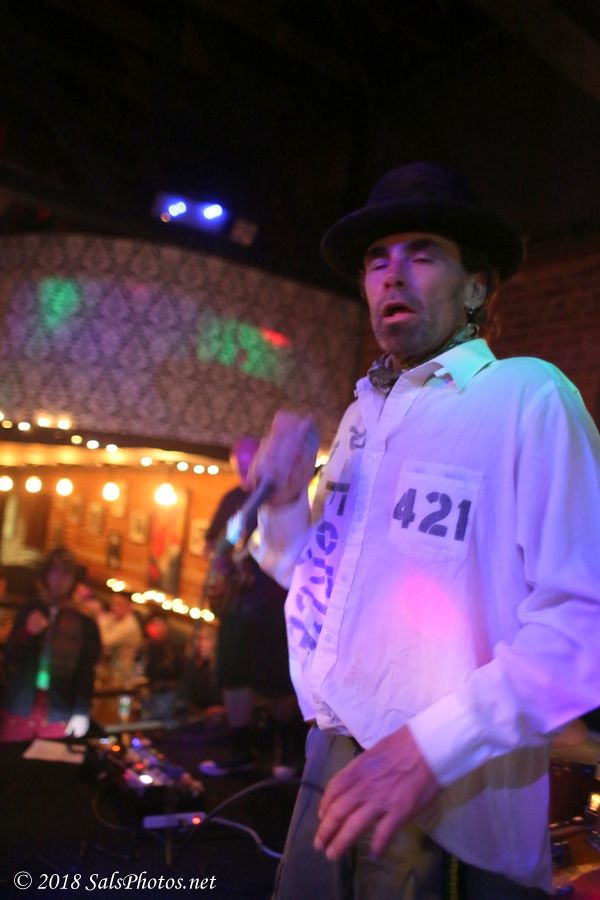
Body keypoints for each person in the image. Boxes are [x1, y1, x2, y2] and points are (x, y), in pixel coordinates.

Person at [250, 162, 600, 898]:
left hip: (452, 800)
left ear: (476, 288)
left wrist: (429, 749)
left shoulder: (526, 396)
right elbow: (317, 582)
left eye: (423, 254)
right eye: (377, 260)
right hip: (330, 765)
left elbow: (583, 621)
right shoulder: (362, 416)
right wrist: (280, 504)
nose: (392, 274)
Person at [199, 436, 304, 778]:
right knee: (233, 678)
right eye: (239, 465)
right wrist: (221, 560)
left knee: (277, 683)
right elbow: (212, 542)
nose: (244, 471)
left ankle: (286, 752)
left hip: (274, 608)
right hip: (236, 606)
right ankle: (240, 751)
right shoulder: (233, 498)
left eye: (249, 463)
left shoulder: (287, 499)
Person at [0, 547, 101, 741]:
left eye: (66, 573)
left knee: (49, 760)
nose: (60, 578)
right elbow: (10, 655)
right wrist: (27, 632)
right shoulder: (31, 608)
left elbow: (86, 669)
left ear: (73, 578)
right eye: (55, 571)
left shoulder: (83, 619)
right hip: (19, 705)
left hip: (58, 710)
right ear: (46, 574)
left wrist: (81, 710)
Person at [139, 609, 186, 721]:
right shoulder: (145, 647)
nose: (156, 628)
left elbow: (177, 678)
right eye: (153, 624)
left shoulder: (173, 651)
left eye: (160, 624)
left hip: (165, 701)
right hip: (149, 697)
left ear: (166, 627)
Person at [97, 591, 143, 689]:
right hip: (108, 670)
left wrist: (101, 621)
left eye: (119, 604)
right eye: (113, 603)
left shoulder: (130, 626)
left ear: (130, 607)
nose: (114, 607)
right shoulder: (115, 619)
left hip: (120, 674)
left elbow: (104, 641)